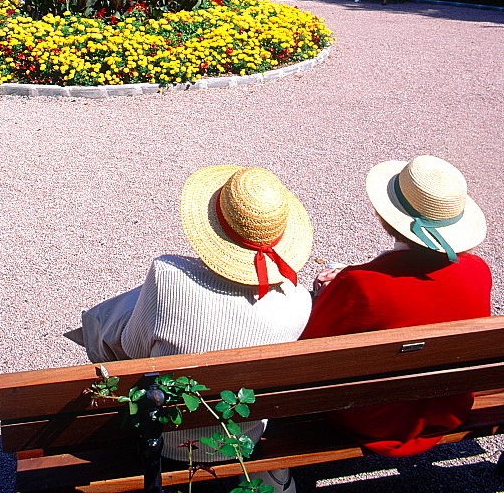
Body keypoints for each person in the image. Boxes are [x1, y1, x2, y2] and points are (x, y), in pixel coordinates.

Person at [82, 166, 314, 493]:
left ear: (216, 225)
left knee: (110, 322)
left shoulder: (168, 275)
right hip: (243, 437)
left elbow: (132, 355)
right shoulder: (299, 302)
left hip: (165, 439)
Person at [302, 155, 491, 457]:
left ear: (386, 215)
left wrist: (326, 295)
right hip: (446, 410)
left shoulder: (361, 284)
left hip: (370, 418)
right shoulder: (478, 271)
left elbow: (309, 350)